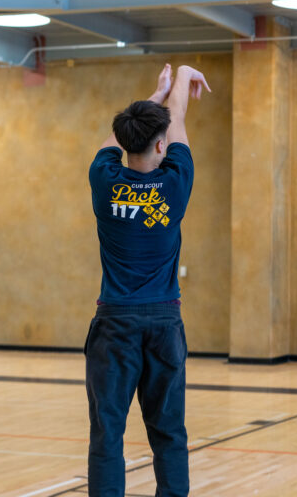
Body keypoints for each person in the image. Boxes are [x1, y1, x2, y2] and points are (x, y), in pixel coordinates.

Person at [85, 63, 210, 497]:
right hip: (162, 324)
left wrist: (155, 96)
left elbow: (115, 140)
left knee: (107, 435)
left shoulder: (104, 180)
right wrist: (181, 81)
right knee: (169, 432)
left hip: (114, 324)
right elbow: (177, 123)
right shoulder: (175, 185)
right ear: (161, 145)